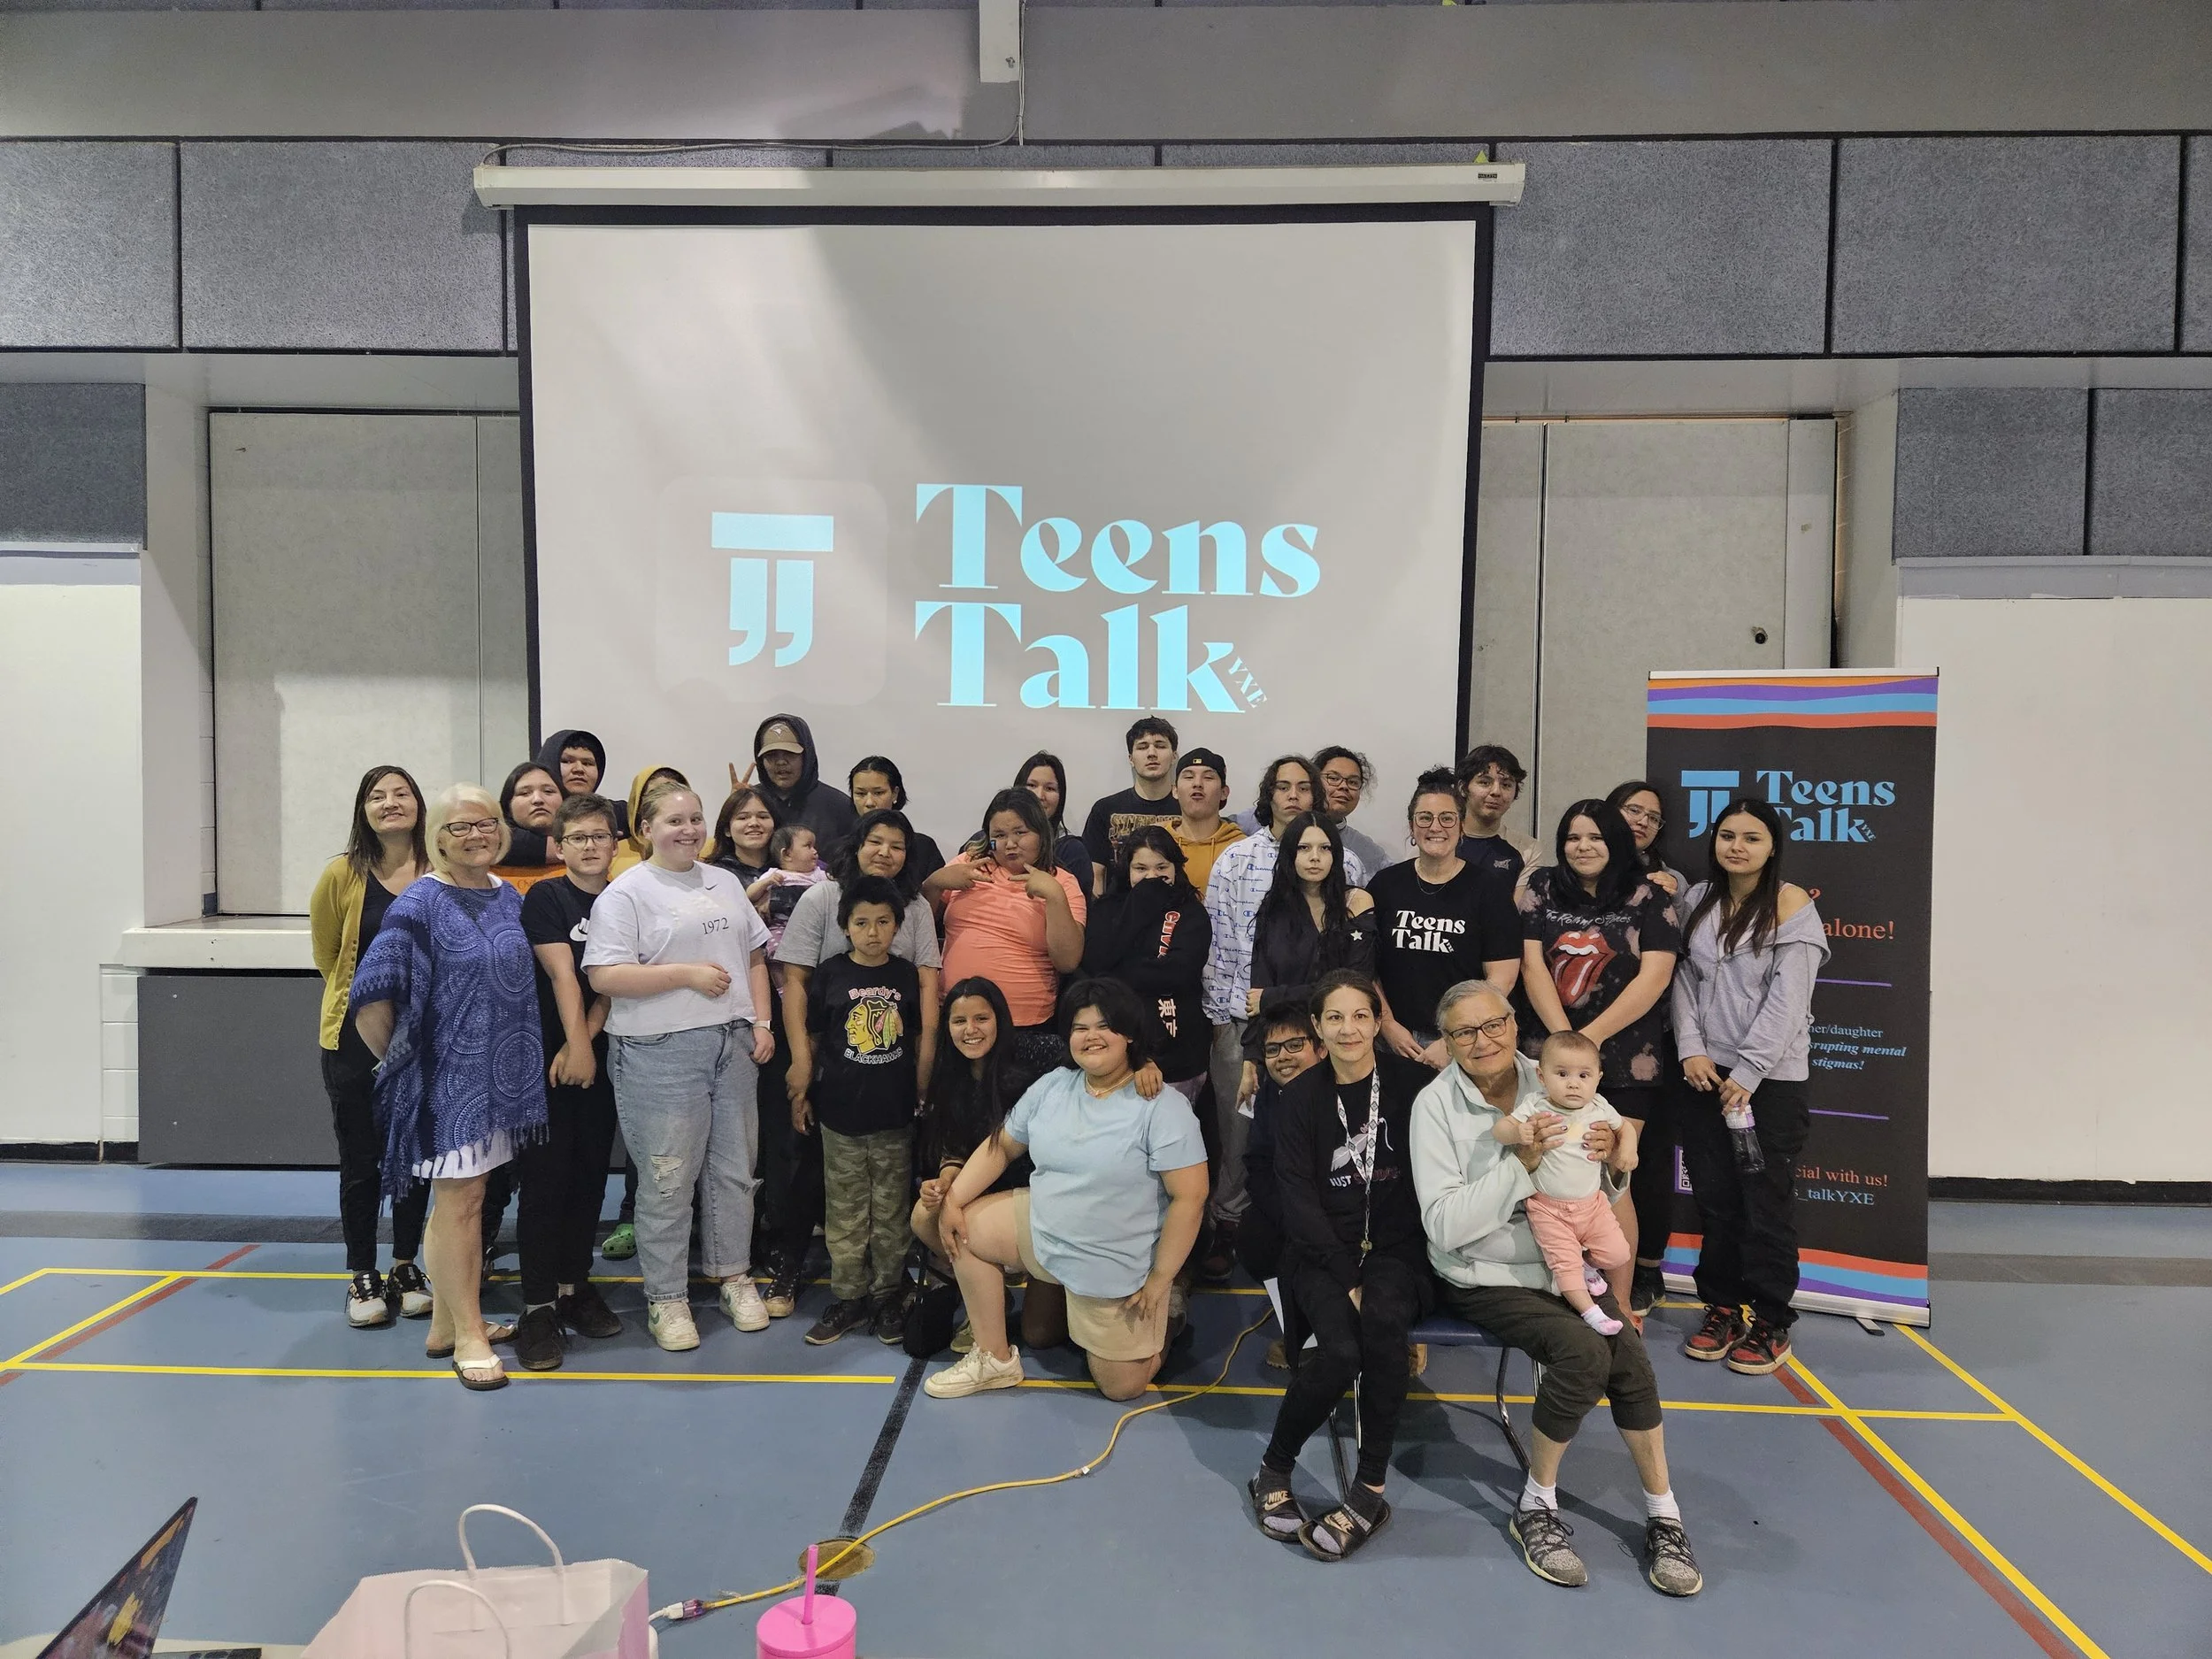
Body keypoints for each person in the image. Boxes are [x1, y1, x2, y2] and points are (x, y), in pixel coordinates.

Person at [1410, 980, 1702, 1597]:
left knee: (1626, 1352)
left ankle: (1664, 1512)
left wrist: (1616, 1167)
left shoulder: (1566, 1078)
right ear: (1448, 1042)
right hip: (1484, 1273)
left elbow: (1603, 1193)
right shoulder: (1434, 1106)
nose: (1482, 1040)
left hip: (1566, 1268)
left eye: (1493, 1024)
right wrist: (1521, 1169)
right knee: (1583, 1351)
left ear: (1515, 1025)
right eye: (1464, 1032)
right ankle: (1536, 1505)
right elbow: (1444, 1225)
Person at [349, 783, 549, 1391]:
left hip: (501, 1082)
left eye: (485, 823)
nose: (476, 834)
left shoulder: (508, 897)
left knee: (461, 1200)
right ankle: (470, 1336)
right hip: (447, 1087)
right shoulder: (419, 903)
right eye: (460, 827)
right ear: (436, 838)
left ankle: (443, 1322)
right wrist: (409, 1063)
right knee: (461, 1203)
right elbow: (370, 995)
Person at [925, 979, 1208, 1402]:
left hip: (1113, 1258)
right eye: (1080, 1027)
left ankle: (1169, 1310)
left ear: (1129, 1035)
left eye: (1103, 1026)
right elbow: (1002, 1145)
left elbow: (1191, 1197)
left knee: (1120, 1387)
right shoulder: (1055, 1084)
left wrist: (1159, 1279)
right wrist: (953, 1200)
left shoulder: (1163, 1107)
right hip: (1046, 1228)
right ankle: (995, 1357)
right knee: (953, 1225)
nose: (1090, 1036)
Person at [582, 780, 778, 1352]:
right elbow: (605, 976)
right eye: (674, 820)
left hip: (732, 1045)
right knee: (669, 1177)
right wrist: (685, 974)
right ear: (645, 829)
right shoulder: (626, 893)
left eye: (696, 818)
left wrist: (760, 1023)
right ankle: (667, 1297)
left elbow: (755, 956)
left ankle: (733, 1275)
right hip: (659, 1050)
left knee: (735, 1172)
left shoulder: (724, 881)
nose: (688, 829)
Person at [1248, 972, 1436, 1561]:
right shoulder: (1300, 1096)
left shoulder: (1413, 1083)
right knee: (1340, 1351)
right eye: (1335, 1017)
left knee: (1381, 1324)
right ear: (1320, 1029)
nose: (1349, 1027)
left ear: (1378, 1021)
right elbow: (1297, 1195)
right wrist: (1345, 1272)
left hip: (1396, 1249)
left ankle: (1368, 1492)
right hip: (1319, 1251)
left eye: (1360, 1015)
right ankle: (1273, 1468)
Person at [1671, 796, 1827, 1375]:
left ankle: (1769, 1318)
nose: (1737, 845)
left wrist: (1749, 1072)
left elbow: (1789, 1002)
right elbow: (1684, 977)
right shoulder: (1698, 901)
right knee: (1715, 1200)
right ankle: (1721, 1306)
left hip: (1767, 1085)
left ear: (1771, 846)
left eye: (1751, 837)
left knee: (1765, 1204)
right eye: (1727, 834)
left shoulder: (1791, 906)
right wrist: (1690, 1047)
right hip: (1704, 1076)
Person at [771, 807, 943, 1318]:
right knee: (823, 1187)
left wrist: (924, 1075)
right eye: (875, 841)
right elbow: (796, 983)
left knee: (891, 1199)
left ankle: (889, 1289)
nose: (884, 852)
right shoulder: (823, 899)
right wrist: (802, 1064)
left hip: (891, 1094)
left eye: (897, 845)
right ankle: (823, 1281)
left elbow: (926, 997)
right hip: (836, 1084)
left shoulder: (913, 911)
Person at [1516, 799, 1682, 1300]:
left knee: (1609, 1182)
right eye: (1572, 837)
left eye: (1595, 837)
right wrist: (1564, 1043)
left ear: (1617, 841)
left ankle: (1622, 1298)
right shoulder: (1540, 888)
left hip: (1626, 1062)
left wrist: (1589, 1041)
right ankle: (1563, 1289)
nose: (1583, 847)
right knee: (1547, 1175)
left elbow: (1656, 975)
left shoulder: (1650, 896)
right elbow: (1530, 965)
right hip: (1544, 1056)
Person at [1202, 755, 1358, 1253]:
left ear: (1316, 796)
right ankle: (1232, 1223)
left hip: (1330, 1032)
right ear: (1268, 794)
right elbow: (1222, 946)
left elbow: (1350, 971)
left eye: (1303, 787)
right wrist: (1225, 1022)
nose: (1293, 795)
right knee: (1242, 1132)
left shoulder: (1347, 865)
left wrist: (1276, 997)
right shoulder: (1236, 859)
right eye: (1283, 787)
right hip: (1244, 1022)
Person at [309, 764, 434, 1329]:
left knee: (415, 1158)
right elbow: (327, 954)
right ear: (363, 810)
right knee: (361, 1160)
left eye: (401, 794)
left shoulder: (439, 870)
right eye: (377, 796)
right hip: (353, 1041)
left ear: (418, 805)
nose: (390, 803)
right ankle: (363, 1273)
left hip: (428, 1039)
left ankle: (407, 1265)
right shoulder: (342, 874)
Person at [509, 793, 626, 1370]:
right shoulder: (547, 897)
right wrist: (575, 1045)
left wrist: (592, 1039)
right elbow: (563, 974)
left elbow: (613, 976)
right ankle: (536, 1307)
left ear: (615, 843)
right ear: (560, 844)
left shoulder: (626, 897)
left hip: (604, 1061)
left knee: (587, 1177)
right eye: (577, 836)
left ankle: (573, 1287)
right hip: (550, 1060)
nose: (588, 845)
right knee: (546, 1181)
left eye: (598, 835)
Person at [793, 876, 924, 1347]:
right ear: (846, 926)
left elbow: (917, 1038)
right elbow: (811, 1036)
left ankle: (888, 1295)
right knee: (846, 1211)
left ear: (897, 926)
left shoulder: (907, 976)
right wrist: (801, 1091)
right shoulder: (829, 974)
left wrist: (922, 1094)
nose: (873, 932)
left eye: (884, 922)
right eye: (862, 923)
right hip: (840, 1118)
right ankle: (849, 1296)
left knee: (891, 1211)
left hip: (894, 1118)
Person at [910, 977, 1067, 1355]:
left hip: (1045, 1195)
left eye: (981, 1018)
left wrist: (1142, 1064)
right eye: (959, 1021)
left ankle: (1048, 1283)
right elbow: (952, 1147)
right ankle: (986, 1292)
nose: (971, 1030)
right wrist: (946, 1180)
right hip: (988, 1193)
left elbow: (1096, 1062)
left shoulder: (1040, 1053)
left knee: (1040, 1335)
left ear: (1000, 1018)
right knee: (923, 1214)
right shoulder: (949, 1074)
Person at [1370, 769, 1522, 1071]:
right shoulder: (1385, 885)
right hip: (1390, 1040)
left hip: (1466, 1043)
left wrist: (1456, 1036)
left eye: (1447, 818)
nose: (1435, 827)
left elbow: (1501, 978)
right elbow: (1367, 967)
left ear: (1462, 826)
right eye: (1424, 817)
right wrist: (1387, 1025)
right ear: (1412, 826)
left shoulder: (1488, 890)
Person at [928, 788, 1087, 1071]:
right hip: (958, 1019)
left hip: (1024, 1027)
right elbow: (916, 927)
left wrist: (1054, 896)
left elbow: (1068, 962)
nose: (1009, 844)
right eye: (999, 835)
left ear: (1041, 833)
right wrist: (935, 882)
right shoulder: (969, 863)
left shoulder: (1062, 882)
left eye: (1020, 832)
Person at [1494, 1031, 1637, 1334]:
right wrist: (1517, 1133)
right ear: (1542, 1076)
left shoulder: (1599, 1106)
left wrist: (1627, 1149)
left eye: (1584, 1075)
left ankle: (1587, 1265)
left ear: (1598, 1077)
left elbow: (1626, 1128)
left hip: (1592, 1207)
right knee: (1564, 1268)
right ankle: (1591, 1313)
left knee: (1617, 1254)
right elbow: (1501, 1128)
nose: (1574, 1083)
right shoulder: (1535, 1106)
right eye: (1562, 1074)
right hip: (1548, 1210)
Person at [1606, 777, 1686, 1313]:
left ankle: (1646, 1271)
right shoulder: (1573, 873)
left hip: (1644, 1043)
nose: (1639, 820)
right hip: (1569, 1045)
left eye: (1650, 816)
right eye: (1630, 810)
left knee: (1639, 1161)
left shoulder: (1666, 883)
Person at [1079, 826, 1213, 1102]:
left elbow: (1180, 973)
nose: (1152, 877)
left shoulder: (1192, 911)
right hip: (1117, 1054)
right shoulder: (1107, 909)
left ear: (1176, 868)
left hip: (1180, 1056)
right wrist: (1139, 906)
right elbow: (1096, 965)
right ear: (1126, 870)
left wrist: (1119, 971)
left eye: (1161, 867)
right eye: (1141, 868)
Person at [1240, 810, 1374, 1088]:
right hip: (1286, 1052)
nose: (1315, 857)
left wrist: (1275, 997)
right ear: (1290, 854)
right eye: (1304, 848)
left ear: (1336, 854)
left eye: (1324, 848)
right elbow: (1258, 994)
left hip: (1341, 1043)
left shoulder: (1357, 902)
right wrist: (1250, 1059)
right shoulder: (1273, 908)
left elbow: (1353, 987)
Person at [1235, 1006, 1325, 1329]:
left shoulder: (1346, 1091)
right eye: (1272, 1050)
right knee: (1255, 1237)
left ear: (1321, 1048)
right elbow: (1257, 1163)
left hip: (1339, 1210)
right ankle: (1301, 1328)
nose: (1283, 1057)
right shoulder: (1269, 1094)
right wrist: (1288, 1217)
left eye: (1295, 1045)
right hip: (1290, 1208)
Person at [1079, 716, 1181, 892]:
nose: (1151, 753)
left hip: (1177, 912)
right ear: (1130, 758)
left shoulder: (1188, 808)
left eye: (1160, 746)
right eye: (1142, 747)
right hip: (1119, 913)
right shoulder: (1105, 809)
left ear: (1174, 756)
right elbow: (1095, 873)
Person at [750, 713, 857, 846]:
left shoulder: (839, 806)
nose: (781, 762)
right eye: (771, 755)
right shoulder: (751, 802)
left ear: (807, 756)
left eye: (790, 753)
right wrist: (733, 811)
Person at [848, 757, 946, 885]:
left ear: (895, 793)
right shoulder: (840, 845)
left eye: (878, 793)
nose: (869, 802)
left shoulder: (923, 848)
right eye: (860, 794)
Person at [1164, 748, 1245, 898]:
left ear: (1224, 792)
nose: (1197, 784)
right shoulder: (1155, 841)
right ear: (1175, 791)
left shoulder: (1241, 848)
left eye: (1208, 778)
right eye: (1188, 777)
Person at [1013, 749, 1094, 895]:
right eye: (1032, 785)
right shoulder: (986, 840)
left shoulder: (1071, 851)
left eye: (1050, 788)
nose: (1039, 796)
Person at [1455, 744, 1538, 884]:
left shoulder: (1527, 849)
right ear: (1463, 788)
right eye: (1485, 782)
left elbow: (1516, 906)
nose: (1496, 792)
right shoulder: (1439, 838)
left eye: (1506, 785)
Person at [1313, 746, 1390, 882]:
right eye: (1333, 778)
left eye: (1353, 782)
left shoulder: (1367, 851)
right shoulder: (1276, 830)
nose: (1344, 786)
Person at [706, 784, 782, 913]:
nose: (754, 823)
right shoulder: (713, 875)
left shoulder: (792, 866)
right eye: (743, 818)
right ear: (727, 830)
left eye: (763, 817)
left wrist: (777, 899)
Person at [492, 762, 565, 892]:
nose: (537, 799)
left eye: (548, 791)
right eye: (525, 793)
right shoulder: (488, 844)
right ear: (507, 806)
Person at [610, 764, 688, 878]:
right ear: (638, 803)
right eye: (655, 795)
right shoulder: (615, 853)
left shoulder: (704, 850)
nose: (666, 803)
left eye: (674, 795)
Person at [536, 727, 618, 831]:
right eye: (567, 761)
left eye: (587, 763)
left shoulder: (614, 814)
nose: (579, 769)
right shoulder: (534, 811)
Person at [763, 824, 829, 949]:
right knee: (776, 949)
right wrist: (764, 883)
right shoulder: (774, 874)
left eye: (814, 846)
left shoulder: (818, 874)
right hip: (781, 925)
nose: (815, 851)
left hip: (812, 926)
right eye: (808, 846)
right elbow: (749, 894)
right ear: (787, 854)